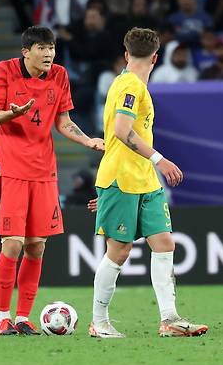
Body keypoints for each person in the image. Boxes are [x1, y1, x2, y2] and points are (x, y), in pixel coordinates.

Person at [87, 27, 208, 338]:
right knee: (119, 250)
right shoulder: (130, 86)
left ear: (126, 55)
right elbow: (122, 130)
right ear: (156, 57)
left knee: (165, 243)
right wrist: (160, 159)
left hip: (144, 181)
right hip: (121, 178)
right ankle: (99, 322)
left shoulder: (131, 83)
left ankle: (169, 319)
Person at [0, 26, 104, 336]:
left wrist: (88, 140)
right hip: (11, 168)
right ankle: (2, 316)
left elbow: (63, 122)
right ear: (26, 52)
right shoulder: (5, 71)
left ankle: (23, 317)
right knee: (12, 244)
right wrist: (13, 113)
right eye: (42, 48)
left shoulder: (60, 75)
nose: (49, 53)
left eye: (51, 47)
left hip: (43, 171)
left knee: (36, 247)